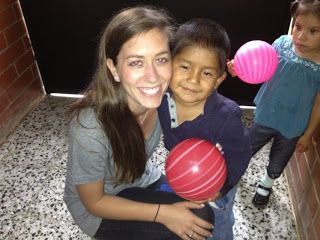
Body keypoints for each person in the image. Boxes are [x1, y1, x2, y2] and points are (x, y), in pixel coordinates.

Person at [63, 6, 214, 240]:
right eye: (136, 62)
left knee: (200, 212)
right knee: (189, 226)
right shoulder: (90, 129)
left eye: (161, 59)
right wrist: (163, 213)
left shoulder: (165, 100)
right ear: (114, 69)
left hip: (140, 179)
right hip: (100, 206)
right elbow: (94, 202)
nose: (153, 77)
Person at [158, 18, 252, 240]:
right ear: (170, 63)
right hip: (185, 175)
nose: (193, 79)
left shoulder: (226, 116)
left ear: (219, 80)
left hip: (217, 186)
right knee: (190, 215)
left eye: (207, 73)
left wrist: (224, 187)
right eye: (185, 66)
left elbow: (241, 154)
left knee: (217, 223)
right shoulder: (161, 97)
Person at [227, 0, 320, 208]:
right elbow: (262, 67)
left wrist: (308, 135)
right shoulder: (282, 44)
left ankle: (266, 185)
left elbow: (318, 105)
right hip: (266, 113)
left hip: (293, 125)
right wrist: (240, 68)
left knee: (280, 158)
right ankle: (235, 171)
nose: (301, 36)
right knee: (248, 145)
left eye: (314, 31)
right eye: (298, 26)